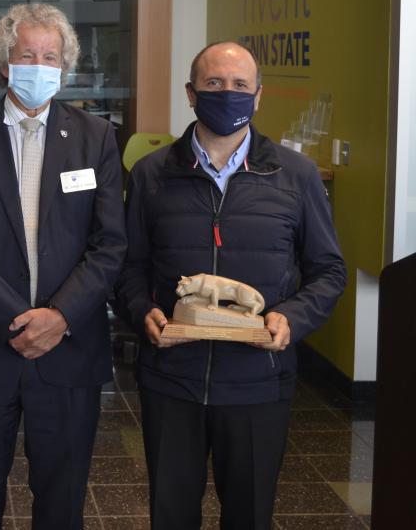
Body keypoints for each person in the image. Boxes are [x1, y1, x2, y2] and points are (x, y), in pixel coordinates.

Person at [114, 41, 347, 530]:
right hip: (172, 379)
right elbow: (127, 267)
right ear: (191, 93)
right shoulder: (151, 175)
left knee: (249, 515)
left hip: (258, 382)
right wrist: (141, 312)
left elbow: (329, 271)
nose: (228, 93)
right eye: (214, 84)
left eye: (240, 85)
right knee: (171, 515)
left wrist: (293, 317)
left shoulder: (296, 176)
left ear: (258, 96)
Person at [0, 3, 127, 529]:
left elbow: (109, 245)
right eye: (27, 54)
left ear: (66, 66)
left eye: (51, 55)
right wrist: (18, 320)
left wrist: (58, 317)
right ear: (3, 63)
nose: (40, 64)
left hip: (69, 350)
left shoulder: (96, 138)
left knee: (62, 505)